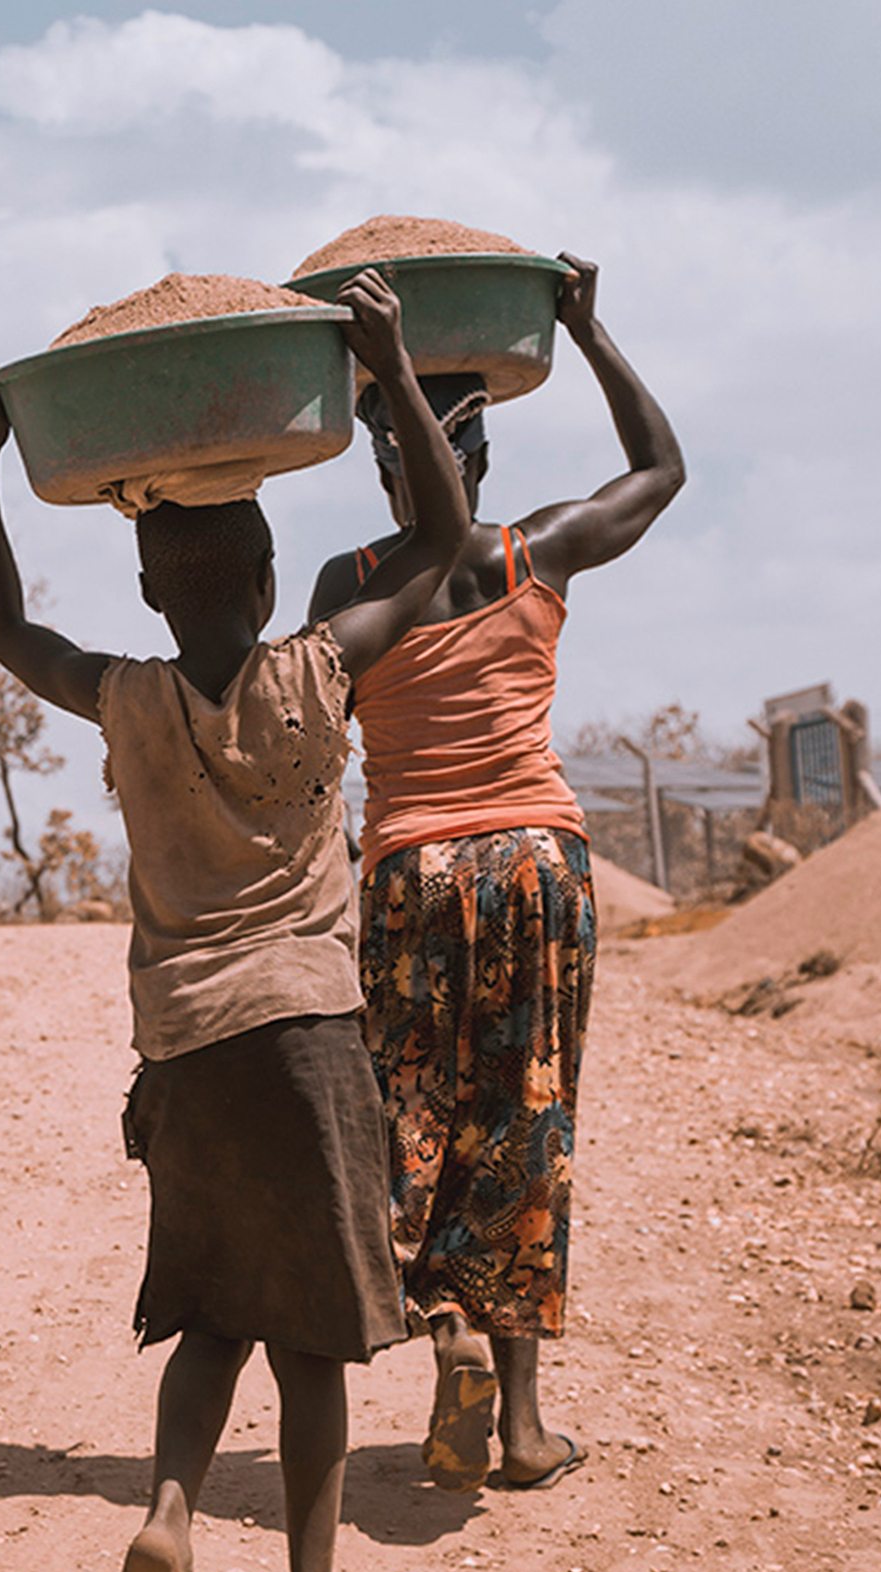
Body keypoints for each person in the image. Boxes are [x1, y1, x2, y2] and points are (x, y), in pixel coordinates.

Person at [0, 272, 465, 1572]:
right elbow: (434, 538)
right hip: (310, 1036)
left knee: (209, 1317)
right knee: (312, 1346)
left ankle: (171, 1511)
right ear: (260, 579)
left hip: (184, 1051)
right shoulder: (323, 668)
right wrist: (385, 366)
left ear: (148, 588)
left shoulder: (124, 696)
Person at [304, 255, 684, 1493]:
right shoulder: (539, 553)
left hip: (414, 869)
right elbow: (661, 469)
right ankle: (519, 1426)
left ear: (383, 455)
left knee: (411, 1120)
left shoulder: (347, 587)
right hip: (539, 862)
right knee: (527, 1123)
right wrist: (585, 324)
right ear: (480, 457)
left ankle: (445, 1328)